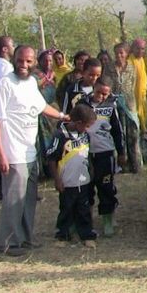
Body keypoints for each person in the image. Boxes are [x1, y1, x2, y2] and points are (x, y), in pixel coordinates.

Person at [0, 45, 69, 256]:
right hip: (12, 153)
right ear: (13, 59)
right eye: (20, 60)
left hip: (29, 151)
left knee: (29, 198)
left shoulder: (32, 82)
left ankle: (24, 238)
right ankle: (7, 243)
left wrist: (62, 116)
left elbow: (42, 106)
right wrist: (1, 154)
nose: (24, 65)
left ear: (34, 62)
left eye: (28, 61)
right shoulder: (3, 84)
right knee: (14, 199)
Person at [47, 103, 98, 248]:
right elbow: (51, 159)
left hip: (83, 180)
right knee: (66, 208)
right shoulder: (60, 136)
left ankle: (87, 235)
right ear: (78, 123)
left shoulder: (85, 135)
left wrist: (91, 170)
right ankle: (63, 235)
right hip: (67, 181)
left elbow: (87, 155)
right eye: (87, 126)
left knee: (84, 209)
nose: (89, 129)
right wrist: (57, 180)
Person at [81, 76, 125, 237]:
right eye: (99, 92)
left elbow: (117, 131)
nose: (102, 96)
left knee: (106, 187)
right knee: (86, 187)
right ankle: (86, 219)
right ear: (94, 87)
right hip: (84, 153)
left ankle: (108, 218)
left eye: (105, 94)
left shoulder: (111, 106)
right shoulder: (82, 104)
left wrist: (121, 152)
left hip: (105, 153)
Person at [113, 43, 142, 173]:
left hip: (130, 104)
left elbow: (134, 84)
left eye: (122, 53)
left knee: (133, 134)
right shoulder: (110, 68)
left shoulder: (131, 67)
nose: (119, 55)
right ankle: (122, 165)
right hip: (114, 104)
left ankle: (135, 164)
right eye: (117, 53)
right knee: (120, 134)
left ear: (126, 53)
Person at [34, 49, 59, 170]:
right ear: (39, 61)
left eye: (50, 60)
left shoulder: (54, 74)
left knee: (54, 138)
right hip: (41, 110)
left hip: (53, 109)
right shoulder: (34, 75)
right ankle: (45, 167)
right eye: (45, 60)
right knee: (44, 140)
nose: (48, 63)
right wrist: (44, 80)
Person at [128, 39, 147, 134]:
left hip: (142, 94)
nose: (140, 51)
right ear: (133, 48)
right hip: (133, 96)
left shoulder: (141, 60)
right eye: (138, 48)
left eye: (143, 49)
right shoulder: (129, 61)